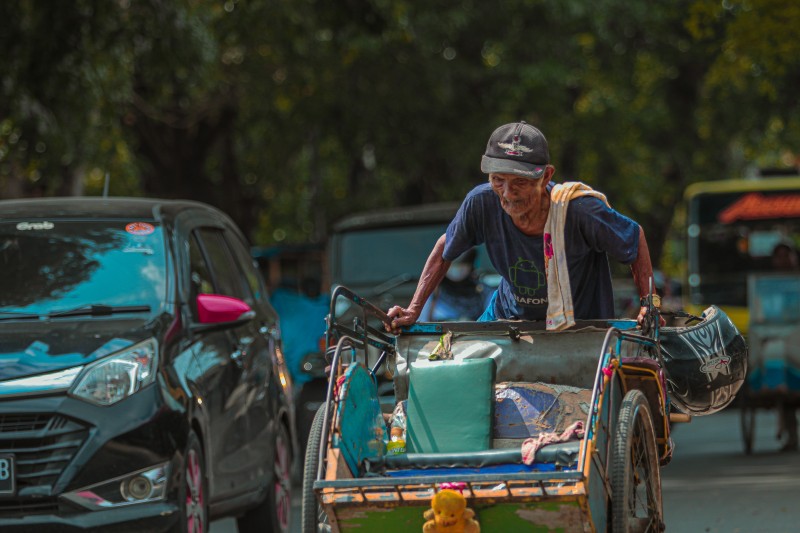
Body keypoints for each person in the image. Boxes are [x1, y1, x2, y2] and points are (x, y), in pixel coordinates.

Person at [386, 120, 661, 333]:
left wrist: (649, 306)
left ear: (546, 176)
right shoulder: (482, 203)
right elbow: (446, 247)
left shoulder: (578, 211)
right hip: (507, 319)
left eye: (520, 182)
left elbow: (633, 237)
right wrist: (413, 309)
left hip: (580, 328)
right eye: (498, 180)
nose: (507, 193)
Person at [770, 241, 800, 452]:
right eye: (779, 256)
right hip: (780, 336)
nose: (783, 260)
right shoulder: (767, 285)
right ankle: (791, 435)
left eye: (786, 255)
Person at [418, 248, 491, 322]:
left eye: (463, 264)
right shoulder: (432, 289)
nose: (457, 269)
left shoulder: (483, 291)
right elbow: (422, 322)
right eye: (453, 265)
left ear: (471, 265)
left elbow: (490, 322)